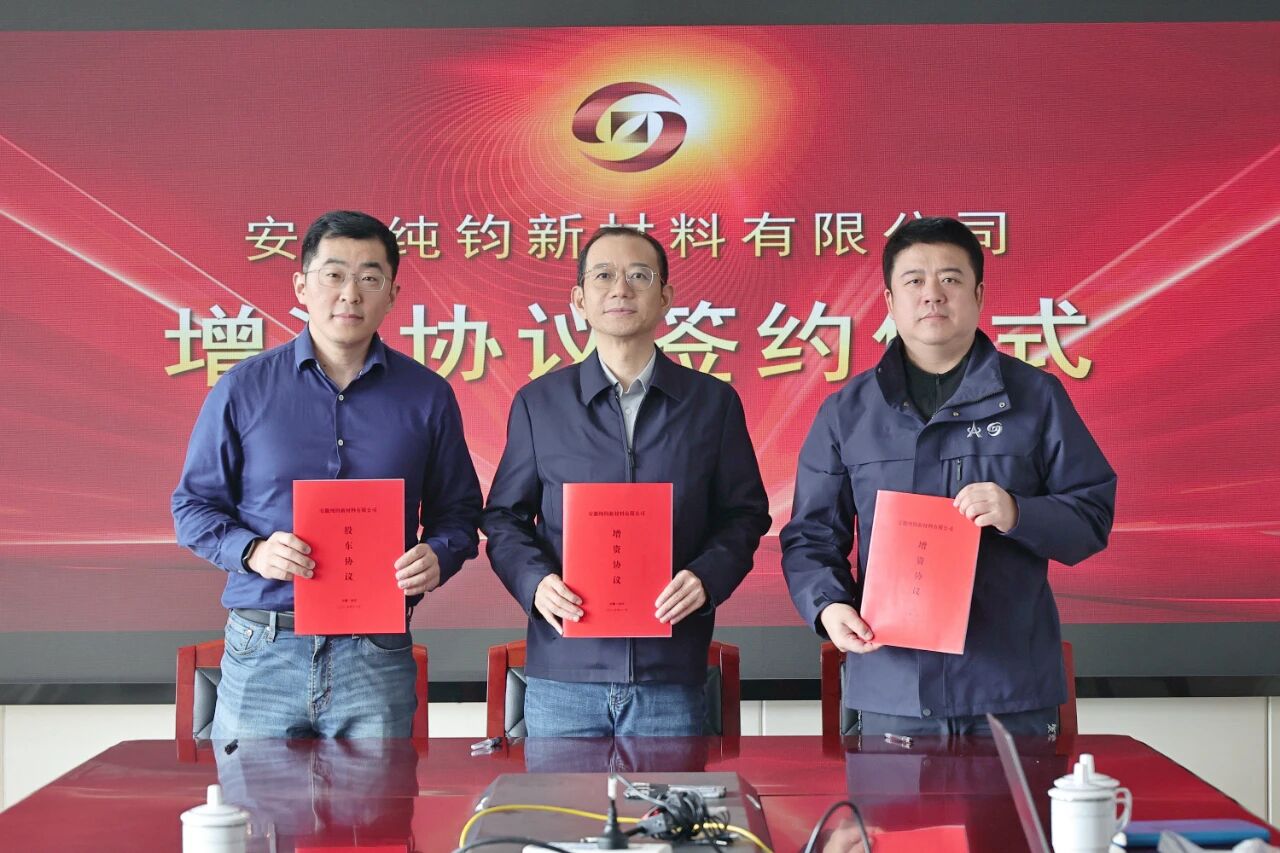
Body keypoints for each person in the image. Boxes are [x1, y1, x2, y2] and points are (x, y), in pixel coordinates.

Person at [781, 216, 1115, 736]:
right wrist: (829, 606)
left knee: (1015, 798)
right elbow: (811, 535)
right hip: (892, 687)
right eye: (914, 280)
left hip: (1008, 689)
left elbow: (1091, 516)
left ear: (979, 294)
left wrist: (1018, 513)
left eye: (951, 279)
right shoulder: (846, 412)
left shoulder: (1036, 398)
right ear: (890, 301)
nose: (932, 294)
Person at [172, 210, 482, 738]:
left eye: (370, 278)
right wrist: (253, 551)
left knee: (380, 795)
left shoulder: (427, 396)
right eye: (334, 274)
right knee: (253, 794)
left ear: (393, 294)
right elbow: (192, 506)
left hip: (376, 651)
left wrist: (440, 554)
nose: (350, 294)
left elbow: (460, 510)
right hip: (266, 646)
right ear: (302, 286)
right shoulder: (243, 389)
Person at [483, 225, 770, 737]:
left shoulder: (711, 404)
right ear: (580, 299)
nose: (621, 288)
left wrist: (706, 577)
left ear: (666, 297)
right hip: (564, 675)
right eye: (603, 275)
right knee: (560, 795)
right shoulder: (539, 404)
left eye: (639, 276)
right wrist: (536, 583)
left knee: (668, 796)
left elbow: (744, 516)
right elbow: (504, 518)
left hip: (670, 674)